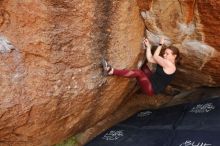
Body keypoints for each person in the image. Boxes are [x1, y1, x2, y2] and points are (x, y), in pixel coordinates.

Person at [101, 37, 180, 96]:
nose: (164, 55)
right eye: (164, 53)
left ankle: (111, 71)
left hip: (151, 89)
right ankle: (139, 86)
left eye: (167, 54)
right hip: (151, 80)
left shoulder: (171, 66)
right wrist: (148, 47)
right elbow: (150, 59)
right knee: (144, 67)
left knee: (139, 73)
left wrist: (160, 44)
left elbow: (155, 56)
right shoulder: (165, 62)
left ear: (174, 56)